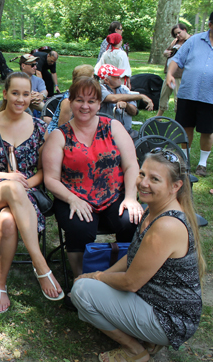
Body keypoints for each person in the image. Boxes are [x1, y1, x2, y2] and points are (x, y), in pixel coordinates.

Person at [71, 148, 205, 362]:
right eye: (142, 174)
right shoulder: (152, 210)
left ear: (176, 186)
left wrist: (95, 277)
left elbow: (130, 282)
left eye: (155, 179)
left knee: (81, 291)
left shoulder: (167, 225)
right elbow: (132, 256)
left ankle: (135, 350)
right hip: (155, 300)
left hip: (170, 319)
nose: (143, 183)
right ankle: (149, 339)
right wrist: (101, 274)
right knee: (90, 289)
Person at [0, 72, 64, 314]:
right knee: (11, 188)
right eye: (15, 93)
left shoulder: (40, 128)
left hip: (25, 192)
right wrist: (8, 177)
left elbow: (45, 171)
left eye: (26, 94)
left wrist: (26, 183)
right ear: (5, 94)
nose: (21, 99)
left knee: (8, 221)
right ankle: (40, 263)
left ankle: (0, 284)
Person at [43, 76, 142, 281]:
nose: (85, 106)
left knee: (130, 220)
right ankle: (81, 280)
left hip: (114, 195)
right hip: (74, 195)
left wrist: (130, 197)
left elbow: (131, 164)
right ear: (70, 101)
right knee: (80, 227)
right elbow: (51, 178)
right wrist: (72, 199)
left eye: (91, 101)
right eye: (79, 100)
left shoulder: (113, 126)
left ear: (99, 103)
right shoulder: (59, 135)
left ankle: (123, 274)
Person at [166, 12, 213, 177]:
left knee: (207, 131)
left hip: (210, 96)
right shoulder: (194, 40)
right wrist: (169, 74)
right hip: (188, 93)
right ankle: (184, 162)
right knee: (185, 128)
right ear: (210, 25)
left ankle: (202, 163)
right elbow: (177, 59)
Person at [98, 64, 154, 137]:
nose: (120, 77)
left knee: (144, 141)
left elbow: (134, 112)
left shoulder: (124, 89)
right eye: (116, 76)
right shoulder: (99, 89)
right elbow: (112, 98)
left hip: (127, 131)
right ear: (107, 80)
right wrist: (140, 96)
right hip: (106, 132)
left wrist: (126, 106)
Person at [47, 64, 94, 134]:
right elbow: (62, 129)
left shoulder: (86, 96)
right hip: (57, 139)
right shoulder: (68, 101)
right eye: (93, 77)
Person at [156, 24, 190, 117]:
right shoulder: (175, 41)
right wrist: (165, 53)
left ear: (185, 30)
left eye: (179, 33)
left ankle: (179, 118)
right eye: (176, 34)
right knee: (164, 94)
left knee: (178, 97)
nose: (178, 36)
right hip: (169, 73)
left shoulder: (190, 41)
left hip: (180, 74)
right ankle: (158, 116)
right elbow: (167, 51)